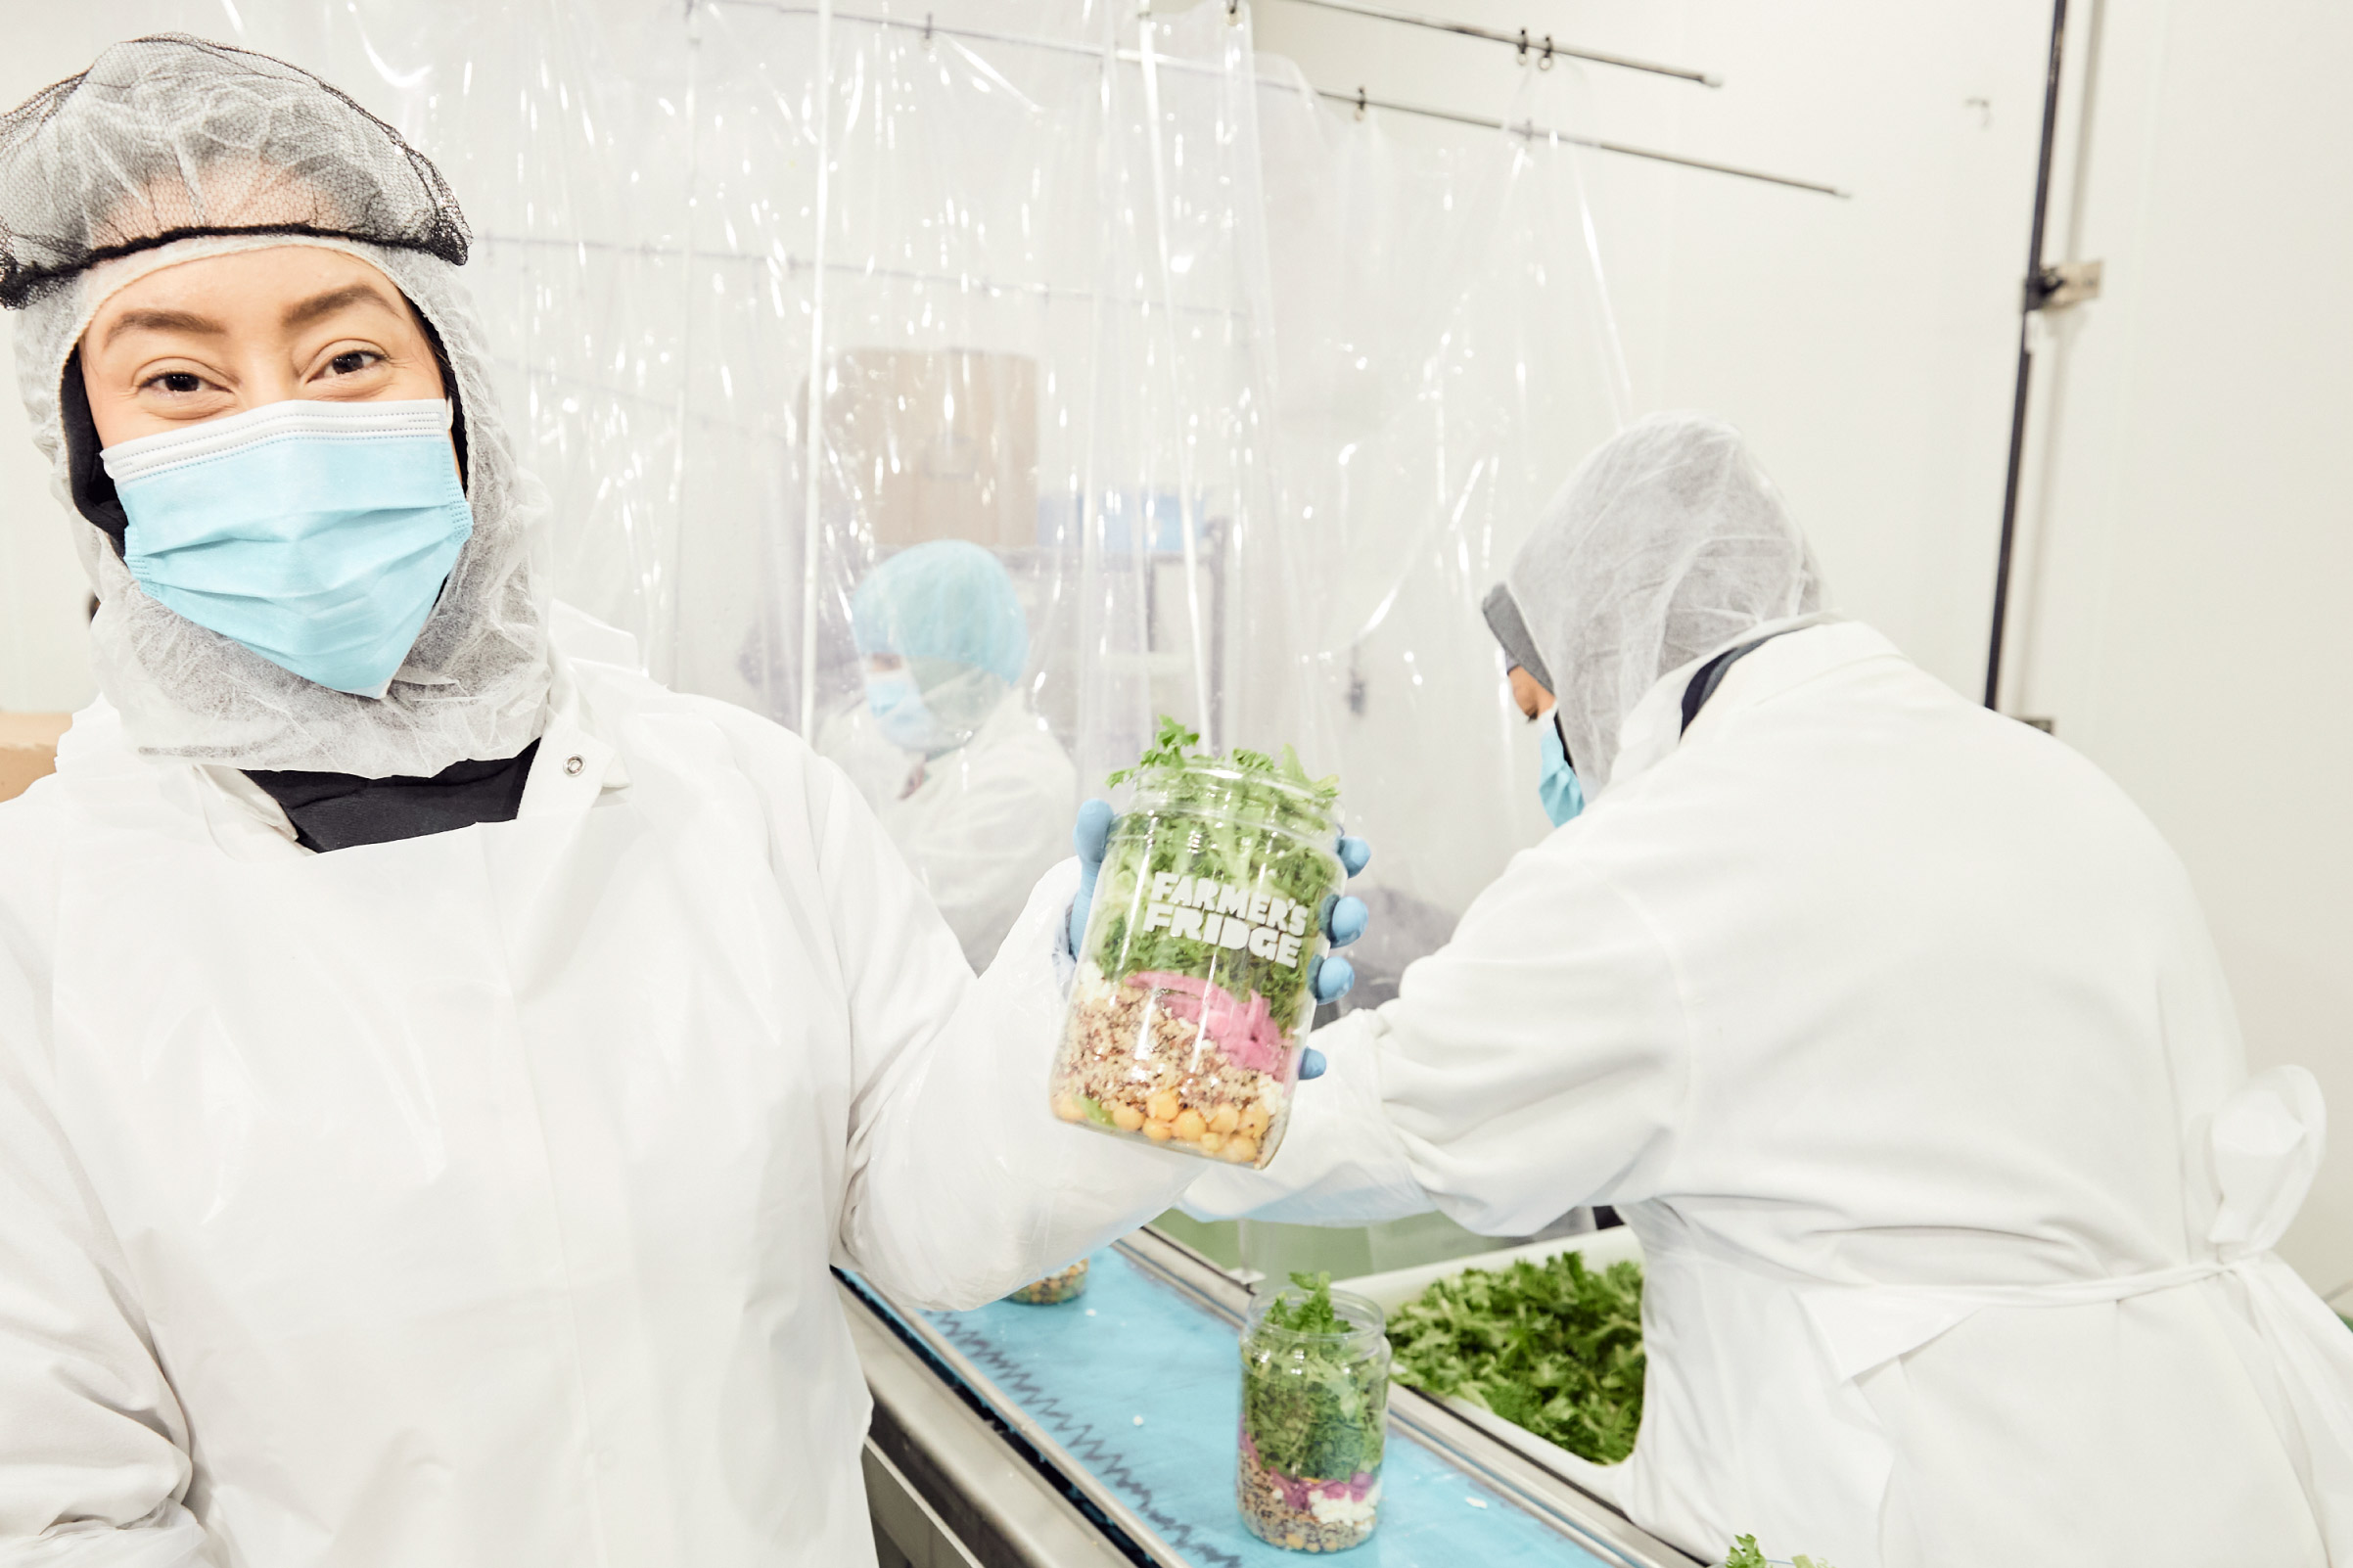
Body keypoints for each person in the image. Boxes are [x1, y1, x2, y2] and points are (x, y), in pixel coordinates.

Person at [0, 37, 1364, 1567]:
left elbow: (923, 1202)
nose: (284, 435)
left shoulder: (740, 796)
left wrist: (1093, 1006)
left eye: (345, 360)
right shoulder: (44, 929)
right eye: (180, 380)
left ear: (459, 395)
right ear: (91, 459)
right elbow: (60, 1509)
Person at [1185, 412, 2353, 1567]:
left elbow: (1383, 1121)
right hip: (2215, 1473)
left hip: (1933, 1497)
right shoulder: (2065, 787)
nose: (1546, 755)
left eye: (1538, 711)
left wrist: (1133, 1054)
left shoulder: (1669, 855)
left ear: (1604, 655)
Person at [820, 540, 1079, 969]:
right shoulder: (937, 755)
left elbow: (906, 925)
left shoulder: (1024, 780)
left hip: (970, 1004)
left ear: (955, 665)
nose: (872, 681)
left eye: (888, 662)